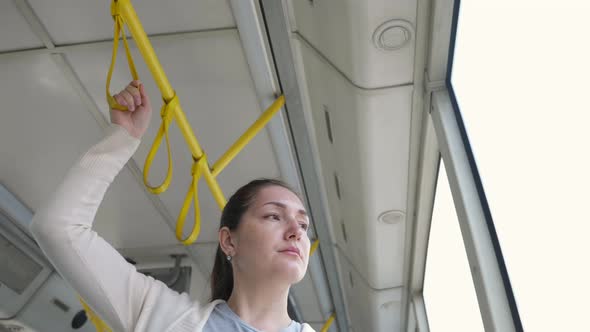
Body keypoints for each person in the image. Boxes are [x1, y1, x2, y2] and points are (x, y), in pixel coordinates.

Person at [30, 80, 315, 332]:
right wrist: (121, 138)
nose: (296, 232)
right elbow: (58, 228)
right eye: (274, 216)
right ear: (229, 241)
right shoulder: (164, 317)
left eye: (303, 224)